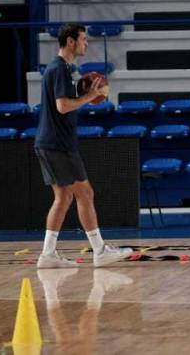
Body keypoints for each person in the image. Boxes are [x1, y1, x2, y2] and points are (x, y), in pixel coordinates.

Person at [35, 24, 133, 268]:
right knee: (83, 193)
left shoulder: (64, 69)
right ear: (70, 42)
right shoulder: (59, 68)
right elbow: (62, 106)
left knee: (65, 197)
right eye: (83, 39)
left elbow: (68, 103)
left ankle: (48, 255)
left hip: (54, 142)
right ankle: (99, 251)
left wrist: (84, 96)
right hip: (57, 144)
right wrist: (91, 96)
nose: (86, 44)